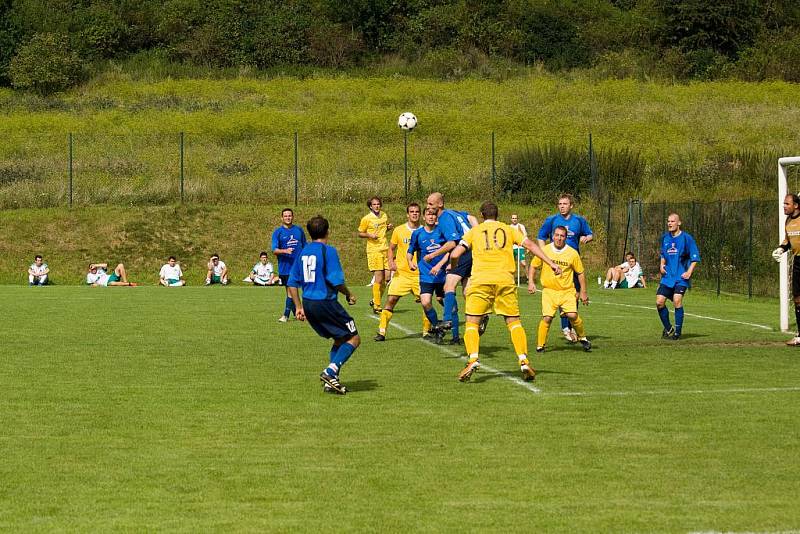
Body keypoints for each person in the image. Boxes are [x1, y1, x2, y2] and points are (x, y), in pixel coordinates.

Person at [450, 201, 562, 383]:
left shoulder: (474, 232)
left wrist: (453, 268)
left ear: (481, 215)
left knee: (472, 322)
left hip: (480, 281)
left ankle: (473, 359)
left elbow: (455, 254)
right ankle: (524, 360)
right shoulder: (508, 230)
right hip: (504, 280)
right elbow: (531, 246)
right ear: (497, 215)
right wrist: (551, 263)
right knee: (513, 322)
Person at [287, 215, 359, 395]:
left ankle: (331, 381)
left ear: (310, 233)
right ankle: (329, 372)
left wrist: (298, 307)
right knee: (353, 338)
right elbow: (335, 281)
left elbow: (292, 282)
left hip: (309, 303)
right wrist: (348, 294)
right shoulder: (328, 251)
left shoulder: (303, 251)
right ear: (328, 231)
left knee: (339, 339)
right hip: (325, 302)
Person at [423, 192, 480, 344]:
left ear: (439, 204)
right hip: (473, 251)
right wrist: (477, 231)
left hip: (464, 251)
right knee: (468, 292)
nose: (428, 207)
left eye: (430, 204)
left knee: (449, 286)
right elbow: (472, 218)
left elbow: (452, 243)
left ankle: (447, 319)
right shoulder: (454, 212)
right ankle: (481, 316)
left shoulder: (444, 218)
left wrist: (432, 255)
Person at [537, 193, 593, 343]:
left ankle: (570, 324)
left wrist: (586, 238)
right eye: (560, 204)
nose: (562, 206)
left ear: (571, 205)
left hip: (572, 263)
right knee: (562, 292)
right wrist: (545, 257)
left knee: (574, 294)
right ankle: (566, 328)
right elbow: (541, 237)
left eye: (565, 204)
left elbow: (590, 234)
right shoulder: (552, 220)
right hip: (556, 265)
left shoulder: (579, 220)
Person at [528, 226, 592, 353]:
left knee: (572, 315)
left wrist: (583, 292)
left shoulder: (572, 253)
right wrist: (531, 282)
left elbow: (580, 273)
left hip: (567, 291)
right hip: (549, 291)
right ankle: (540, 346)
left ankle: (583, 338)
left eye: (562, 236)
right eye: (556, 235)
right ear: (552, 236)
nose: (559, 238)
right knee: (547, 318)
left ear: (565, 237)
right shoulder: (544, 250)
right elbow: (533, 265)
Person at [375, 202, 431, 341]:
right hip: (402, 275)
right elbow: (391, 248)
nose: (414, 214)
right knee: (391, 300)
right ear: (407, 214)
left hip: (420, 275)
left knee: (426, 303)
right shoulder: (399, 230)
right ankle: (381, 332)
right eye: (412, 211)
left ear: (420, 214)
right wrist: (390, 262)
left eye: (417, 211)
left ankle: (427, 332)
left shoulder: (426, 230)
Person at [656, 213, 701, 340]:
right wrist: (661, 265)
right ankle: (669, 328)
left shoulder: (687, 238)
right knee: (659, 302)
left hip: (681, 277)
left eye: (672, 221)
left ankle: (677, 332)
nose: (669, 223)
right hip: (667, 277)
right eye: (668, 221)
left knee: (677, 300)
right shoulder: (665, 238)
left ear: (679, 223)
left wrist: (689, 272)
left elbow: (695, 257)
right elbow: (663, 255)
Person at [408, 208, 450, 343]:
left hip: (442, 275)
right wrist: (410, 261)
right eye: (428, 214)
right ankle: (437, 327)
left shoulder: (442, 231)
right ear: (424, 217)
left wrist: (439, 265)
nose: (431, 217)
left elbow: (450, 250)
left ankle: (452, 324)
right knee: (425, 302)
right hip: (426, 276)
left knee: (444, 301)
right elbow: (410, 251)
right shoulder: (418, 234)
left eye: (433, 214)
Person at [773, 193, 800, 345]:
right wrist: (781, 249)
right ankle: (799, 336)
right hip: (797, 262)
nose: (784, 206)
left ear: (796, 205)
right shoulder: (788, 221)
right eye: (784, 203)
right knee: (797, 299)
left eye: (787, 204)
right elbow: (788, 240)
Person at [358, 196, 392, 314]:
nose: (377, 206)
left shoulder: (384, 215)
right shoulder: (366, 219)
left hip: (385, 249)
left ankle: (374, 299)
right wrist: (370, 235)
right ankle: (377, 306)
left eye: (378, 204)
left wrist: (388, 228)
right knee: (379, 278)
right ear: (370, 206)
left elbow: (382, 230)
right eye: (374, 204)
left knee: (387, 278)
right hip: (374, 251)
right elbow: (360, 233)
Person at [273, 208, 307, 322]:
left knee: (292, 291)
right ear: (281, 218)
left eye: (290, 215)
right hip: (285, 267)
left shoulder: (299, 230)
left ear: (293, 217)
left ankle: (286, 315)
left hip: (298, 266)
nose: (288, 217)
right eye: (285, 216)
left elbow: (305, 245)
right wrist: (285, 251)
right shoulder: (278, 232)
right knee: (290, 291)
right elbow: (274, 250)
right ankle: (298, 313)